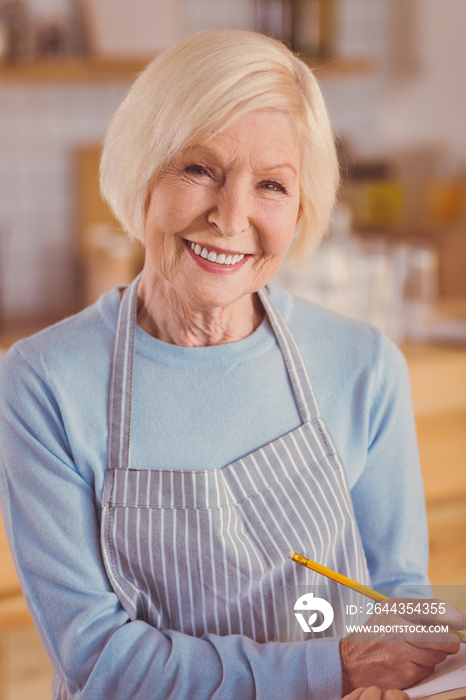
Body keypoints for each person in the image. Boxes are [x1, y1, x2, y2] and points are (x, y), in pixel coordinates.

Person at [0, 28, 462, 700]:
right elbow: (99, 662)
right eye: (199, 169)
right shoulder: (44, 383)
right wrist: (328, 668)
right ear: (142, 171)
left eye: (271, 185)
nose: (231, 215)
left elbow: (397, 610)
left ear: (301, 211)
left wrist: (431, 649)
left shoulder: (365, 367)